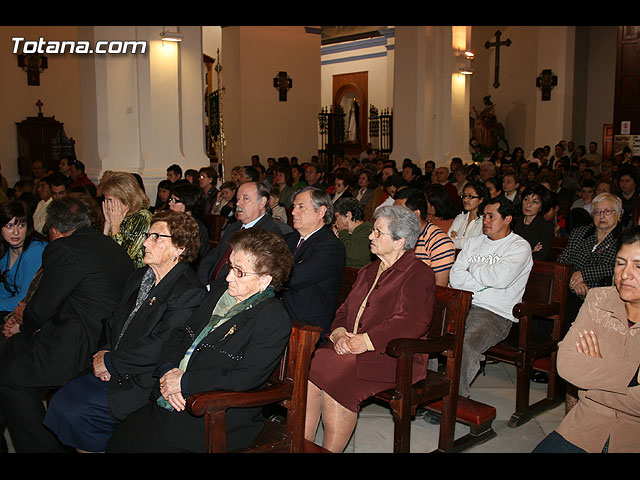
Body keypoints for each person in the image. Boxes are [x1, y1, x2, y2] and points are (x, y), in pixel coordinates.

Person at [106, 227, 293, 453]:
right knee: (120, 439)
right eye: (230, 267)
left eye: (239, 272)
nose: (228, 277)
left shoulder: (273, 320)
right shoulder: (218, 293)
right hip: (172, 397)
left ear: (265, 280)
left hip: (214, 413)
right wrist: (168, 371)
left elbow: (246, 378)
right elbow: (178, 334)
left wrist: (184, 383)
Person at [42, 210, 206, 453]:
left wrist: (112, 362)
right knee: (63, 398)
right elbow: (114, 319)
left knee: (79, 412)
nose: (146, 242)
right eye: (148, 235)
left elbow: (161, 346)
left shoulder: (189, 292)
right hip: (117, 368)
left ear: (180, 248)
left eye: (156, 237)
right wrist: (105, 350)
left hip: (144, 380)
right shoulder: (141, 277)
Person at [0, 196, 134, 452]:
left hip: (79, 347)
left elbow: (40, 309)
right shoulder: (109, 245)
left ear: (54, 229)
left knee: (10, 377)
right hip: (102, 337)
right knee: (9, 350)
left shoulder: (63, 248)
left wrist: (23, 318)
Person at [304, 205, 435, 453]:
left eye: (378, 232)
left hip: (395, 356)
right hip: (354, 349)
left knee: (336, 380)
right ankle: (304, 445)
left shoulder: (418, 274)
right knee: (310, 367)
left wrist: (366, 341)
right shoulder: (369, 270)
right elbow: (343, 310)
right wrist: (340, 333)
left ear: (400, 242)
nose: (370, 236)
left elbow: (412, 322)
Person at [533, 227, 640, 453]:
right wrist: (632, 376)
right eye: (621, 263)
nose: (626, 274)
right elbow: (566, 364)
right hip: (585, 425)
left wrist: (592, 377)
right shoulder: (599, 298)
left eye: (638, 266)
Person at [449, 196, 533, 398]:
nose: (485, 221)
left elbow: (501, 279)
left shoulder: (519, 247)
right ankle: (432, 389)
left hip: (495, 312)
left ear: (507, 219)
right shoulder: (473, 242)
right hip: (464, 303)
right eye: (484, 216)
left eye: (491, 216)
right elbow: (456, 277)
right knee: (433, 332)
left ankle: (454, 397)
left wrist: (473, 268)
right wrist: (484, 277)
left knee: (465, 343)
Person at [281, 187, 345, 337]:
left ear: (321, 212)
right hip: (282, 314)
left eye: (301, 207)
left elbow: (294, 278)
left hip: (306, 326)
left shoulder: (331, 247)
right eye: (294, 207)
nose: (293, 212)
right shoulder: (289, 239)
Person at [197, 181, 285, 289]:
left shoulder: (268, 233)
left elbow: (248, 276)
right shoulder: (234, 227)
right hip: (211, 287)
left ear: (262, 202)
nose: (238, 203)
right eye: (238, 198)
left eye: (245, 198)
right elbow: (211, 258)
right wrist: (203, 284)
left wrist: (212, 288)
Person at [557, 193, 624, 332]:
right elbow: (563, 260)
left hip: (602, 297)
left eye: (607, 211)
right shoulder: (581, 233)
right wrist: (573, 280)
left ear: (618, 215)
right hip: (571, 290)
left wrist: (584, 274)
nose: (601, 216)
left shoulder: (624, 239)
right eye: (597, 212)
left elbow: (619, 267)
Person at [394, 188, 455, 286]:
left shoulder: (439, 242)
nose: (393, 218)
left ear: (415, 214)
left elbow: (439, 286)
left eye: (399, 214)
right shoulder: (394, 235)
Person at [0, 201, 47, 316]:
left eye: (21, 225)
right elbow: (5, 289)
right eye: (9, 226)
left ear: (28, 226)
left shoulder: (36, 250)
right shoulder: (5, 251)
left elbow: (25, 298)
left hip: (36, 311)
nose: (16, 232)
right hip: (17, 309)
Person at [100, 171, 153, 268]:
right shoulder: (120, 217)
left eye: (110, 200)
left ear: (126, 198)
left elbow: (122, 258)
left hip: (134, 277)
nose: (107, 204)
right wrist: (107, 225)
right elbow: (102, 254)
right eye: (105, 200)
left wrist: (115, 227)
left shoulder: (142, 217)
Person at [168, 183, 211, 267]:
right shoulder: (169, 221)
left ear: (188, 202)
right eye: (170, 199)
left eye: (175, 200)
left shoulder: (198, 227)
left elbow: (198, 259)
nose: (170, 203)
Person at [511, 183, 555, 261]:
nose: (528, 205)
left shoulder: (545, 227)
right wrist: (530, 251)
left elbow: (540, 255)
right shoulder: (514, 222)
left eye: (535, 202)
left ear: (541, 206)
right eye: (526, 199)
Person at [448, 179, 490, 249]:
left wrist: (456, 240)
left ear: (481, 200)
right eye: (464, 196)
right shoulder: (460, 218)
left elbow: (478, 245)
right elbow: (447, 241)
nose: (465, 200)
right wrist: (466, 242)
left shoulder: (485, 221)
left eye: (470, 196)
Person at [333, 197, 372, 269]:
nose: (336, 222)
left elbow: (352, 253)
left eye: (337, 217)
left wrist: (342, 232)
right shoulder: (348, 234)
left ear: (348, 215)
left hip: (355, 275)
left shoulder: (367, 230)